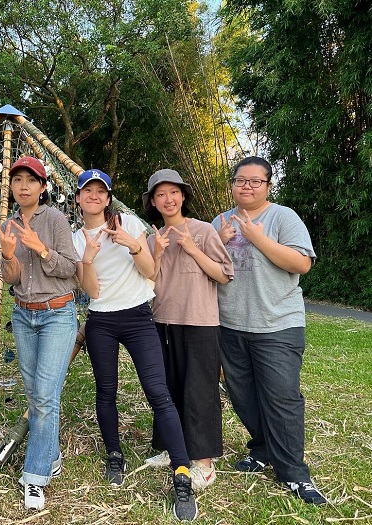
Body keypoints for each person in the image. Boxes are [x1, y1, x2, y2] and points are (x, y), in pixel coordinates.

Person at [73, 169, 198, 521]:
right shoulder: (76, 239)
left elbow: (150, 272)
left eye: (100, 191)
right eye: (87, 191)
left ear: (108, 197)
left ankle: (182, 472)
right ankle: (114, 454)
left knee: (158, 392)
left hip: (138, 316)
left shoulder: (127, 222)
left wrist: (133, 244)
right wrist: (89, 257)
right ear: (78, 198)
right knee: (106, 391)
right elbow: (91, 291)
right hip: (101, 321)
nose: (94, 196)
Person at [211, 156, 325, 505]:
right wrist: (217, 240)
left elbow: (301, 263)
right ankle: (262, 449)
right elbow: (205, 266)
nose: (246, 186)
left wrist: (258, 239)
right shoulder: (220, 220)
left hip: (277, 324)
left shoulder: (283, 217)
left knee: (282, 398)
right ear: (232, 184)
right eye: (240, 180)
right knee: (243, 397)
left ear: (268, 185)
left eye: (255, 181)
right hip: (230, 323)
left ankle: (294, 473)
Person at [142, 169, 233, 490]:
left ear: (183, 196)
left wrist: (193, 249)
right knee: (167, 388)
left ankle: (204, 464)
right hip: (162, 321)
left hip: (199, 321)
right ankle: (172, 448)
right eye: (160, 194)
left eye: (173, 192)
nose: (168, 199)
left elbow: (224, 274)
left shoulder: (204, 231)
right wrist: (156, 252)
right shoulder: (152, 238)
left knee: (199, 391)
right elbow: (148, 280)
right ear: (153, 202)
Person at [0, 156, 77, 511]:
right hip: (23, 315)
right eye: (17, 180)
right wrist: (9, 256)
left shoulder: (56, 219)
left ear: (43, 187)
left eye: (31, 180)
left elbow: (70, 268)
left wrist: (40, 248)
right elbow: (12, 278)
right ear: (11, 187)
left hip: (57, 313)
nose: (24, 186)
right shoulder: (7, 225)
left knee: (44, 396)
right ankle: (51, 453)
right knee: (35, 395)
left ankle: (35, 476)